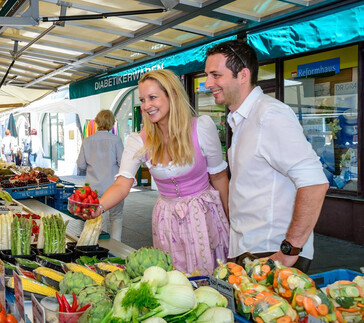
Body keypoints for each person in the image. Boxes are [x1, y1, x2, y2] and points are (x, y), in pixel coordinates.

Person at [78, 69, 230, 275]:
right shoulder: (139, 140)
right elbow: (122, 184)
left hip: (202, 216)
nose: (146, 105)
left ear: (172, 95)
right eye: (142, 99)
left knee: (209, 278)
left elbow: (219, 177)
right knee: (171, 280)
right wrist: (99, 207)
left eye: (153, 97)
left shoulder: (201, 127)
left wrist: (232, 223)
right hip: (166, 219)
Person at [204, 40, 328, 272]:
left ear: (243, 75)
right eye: (207, 75)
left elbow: (314, 183)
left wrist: (289, 251)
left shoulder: (269, 115)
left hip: (271, 252)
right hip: (249, 249)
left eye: (215, 75)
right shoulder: (241, 118)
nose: (208, 83)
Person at [76, 110, 125, 241]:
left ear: (97, 121)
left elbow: (80, 165)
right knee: (116, 217)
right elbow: (123, 163)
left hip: (93, 187)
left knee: (96, 218)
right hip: (114, 187)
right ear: (111, 123)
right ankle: (115, 248)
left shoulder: (87, 141)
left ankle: (98, 245)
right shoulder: (116, 140)